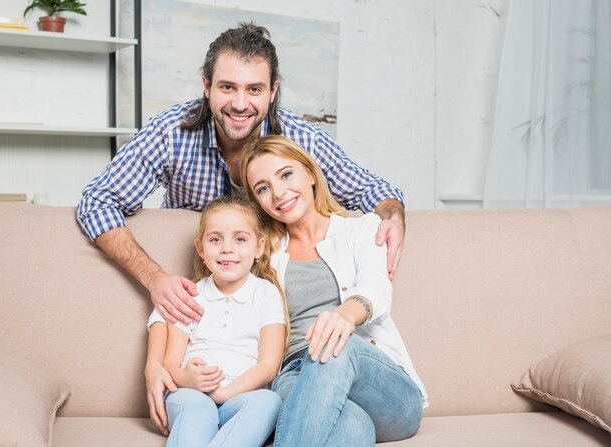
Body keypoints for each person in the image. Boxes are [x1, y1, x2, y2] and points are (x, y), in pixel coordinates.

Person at [76, 22, 407, 333]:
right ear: (206, 85)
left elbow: (373, 190)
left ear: (272, 91)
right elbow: (97, 201)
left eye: (254, 89)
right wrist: (154, 278)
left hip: (273, 302)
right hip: (205, 292)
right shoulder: (170, 132)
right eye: (227, 87)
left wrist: (392, 215)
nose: (239, 103)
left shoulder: (299, 138)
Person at [146, 135, 428, 444]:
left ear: (310, 173)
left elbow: (377, 290)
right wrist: (155, 365)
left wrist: (345, 315)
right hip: (298, 379)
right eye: (263, 188)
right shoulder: (259, 250)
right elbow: (194, 300)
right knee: (355, 428)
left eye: (286, 174)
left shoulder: (361, 229)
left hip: (379, 386)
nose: (279, 192)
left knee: (335, 343)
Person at [147, 196, 288, 446]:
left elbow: (268, 365)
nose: (227, 248)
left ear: (259, 248)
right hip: (191, 394)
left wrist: (224, 392)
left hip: (241, 396)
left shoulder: (266, 294)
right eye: (215, 239)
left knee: (270, 402)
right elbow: (169, 362)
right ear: (201, 249)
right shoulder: (189, 296)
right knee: (197, 408)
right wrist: (185, 378)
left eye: (240, 239)